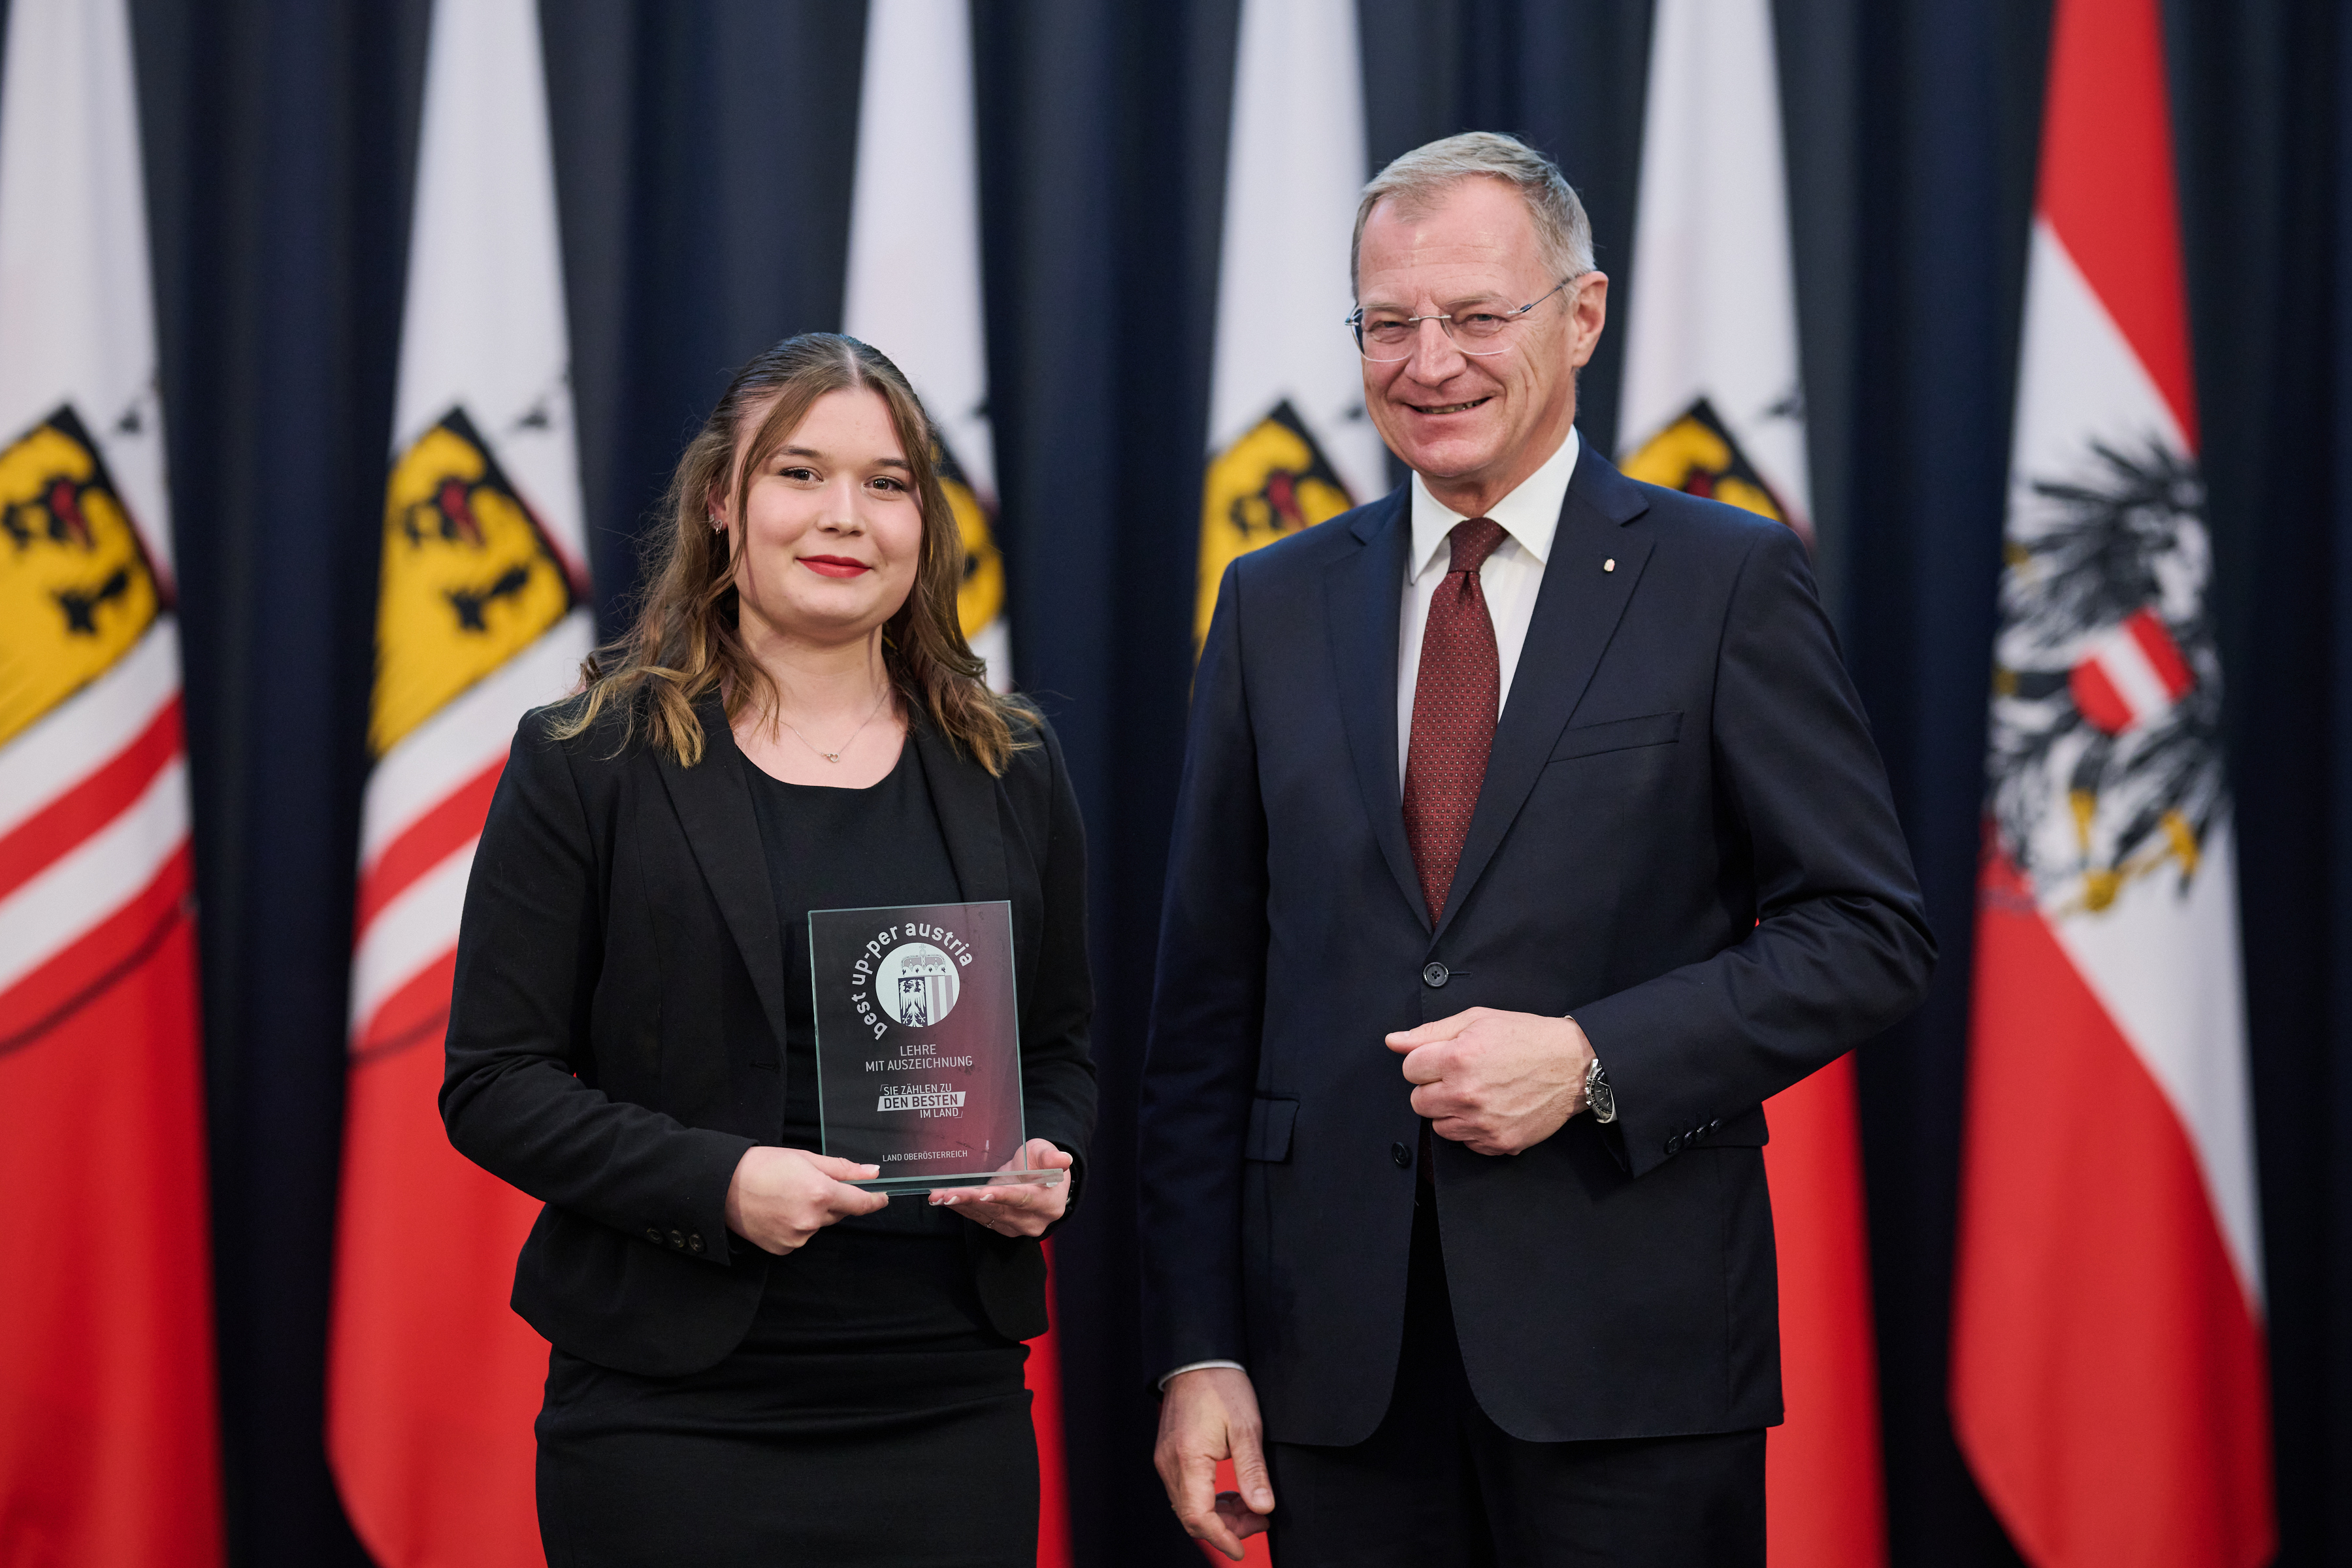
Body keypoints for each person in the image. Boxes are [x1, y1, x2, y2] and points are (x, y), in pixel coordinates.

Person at [1139, 132, 1934, 1565]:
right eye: (1389, 323)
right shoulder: (1271, 602)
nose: (1428, 362)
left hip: (1629, 1363)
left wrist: (1588, 1059)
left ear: (1582, 316)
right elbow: (1205, 1015)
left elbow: (1868, 933)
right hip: (1336, 1377)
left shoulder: (1723, 579)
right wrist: (1200, 1347)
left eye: (1474, 315)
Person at [440, 333, 1095, 1567]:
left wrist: (1047, 1159)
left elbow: (1059, 1050)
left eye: (888, 483)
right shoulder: (590, 758)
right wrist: (722, 1184)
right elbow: (494, 1084)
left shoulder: (1009, 762)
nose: (846, 515)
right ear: (721, 503)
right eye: (800, 473)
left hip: (945, 1409)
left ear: (925, 521)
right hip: (672, 1421)